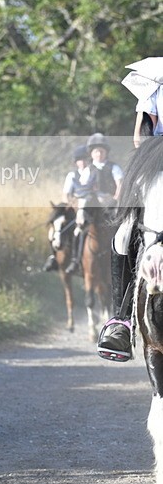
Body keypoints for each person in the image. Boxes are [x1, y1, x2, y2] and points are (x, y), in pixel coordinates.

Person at [97, 59, 163, 361]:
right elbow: (139, 138)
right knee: (123, 238)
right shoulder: (154, 86)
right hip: (156, 164)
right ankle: (121, 320)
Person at [64, 133, 123, 276]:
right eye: (96, 151)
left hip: (110, 205)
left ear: (106, 152)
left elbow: (120, 184)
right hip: (93, 207)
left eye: (101, 151)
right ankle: (76, 261)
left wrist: (115, 199)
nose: (98, 154)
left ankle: (124, 260)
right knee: (79, 230)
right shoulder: (88, 170)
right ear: (91, 153)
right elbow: (82, 189)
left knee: (123, 229)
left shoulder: (114, 167)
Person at [42, 143, 89, 272]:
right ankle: (53, 257)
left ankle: (76, 259)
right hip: (73, 210)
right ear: (76, 162)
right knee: (54, 228)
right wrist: (70, 204)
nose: (83, 162)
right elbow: (65, 194)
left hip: (88, 209)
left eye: (85, 159)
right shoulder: (72, 176)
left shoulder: (93, 174)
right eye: (80, 160)